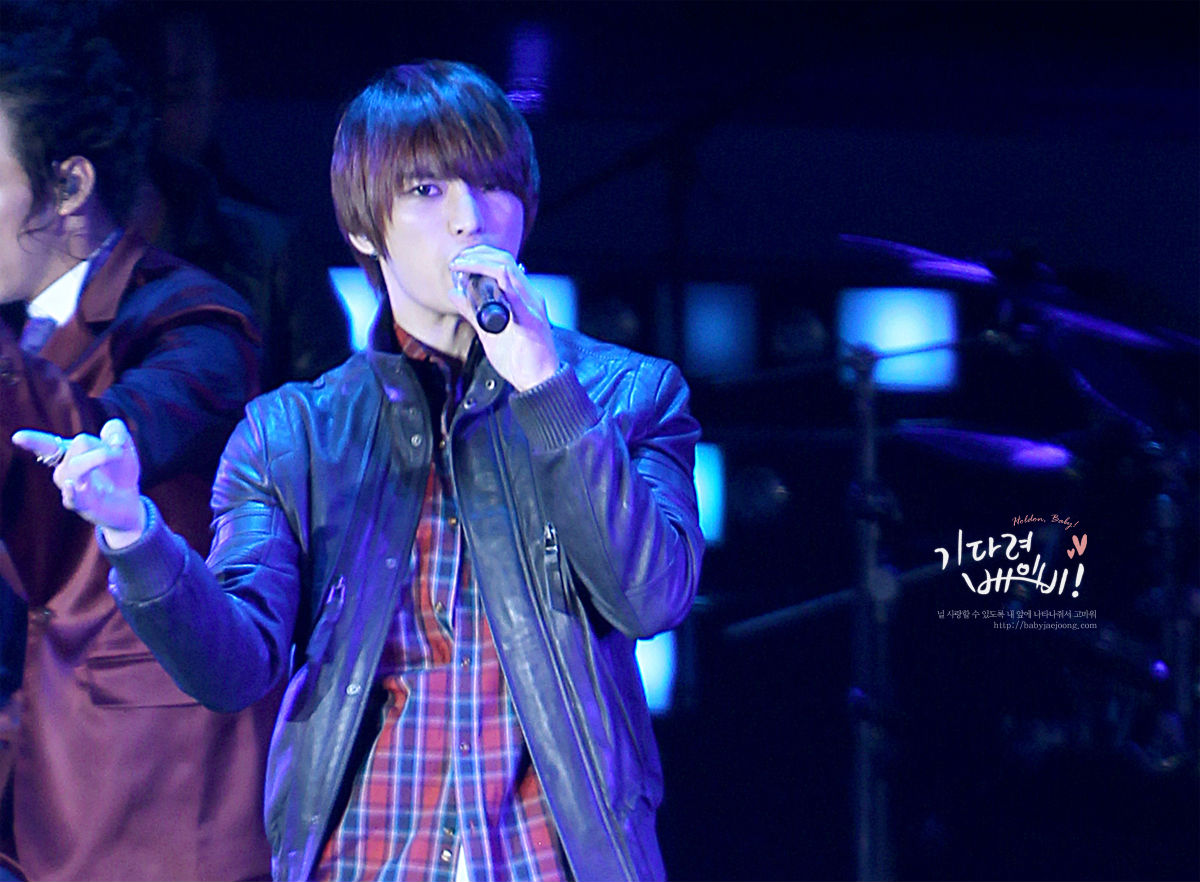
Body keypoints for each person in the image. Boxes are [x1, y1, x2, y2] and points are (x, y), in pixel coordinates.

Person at [16, 60, 705, 881]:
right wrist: (134, 533)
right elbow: (235, 666)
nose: (470, 218)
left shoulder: (628, 395)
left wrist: (547, 391)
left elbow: (652, 597)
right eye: (426, 191)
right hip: (368, 856)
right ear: (365, 229)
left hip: (550, 860)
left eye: (494, 186)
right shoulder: (294, 434)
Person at [0, 25, 277, 881]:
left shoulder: (193, 320)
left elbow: (85, 451)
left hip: (144, 805)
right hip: (29, 795)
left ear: (69, 185)